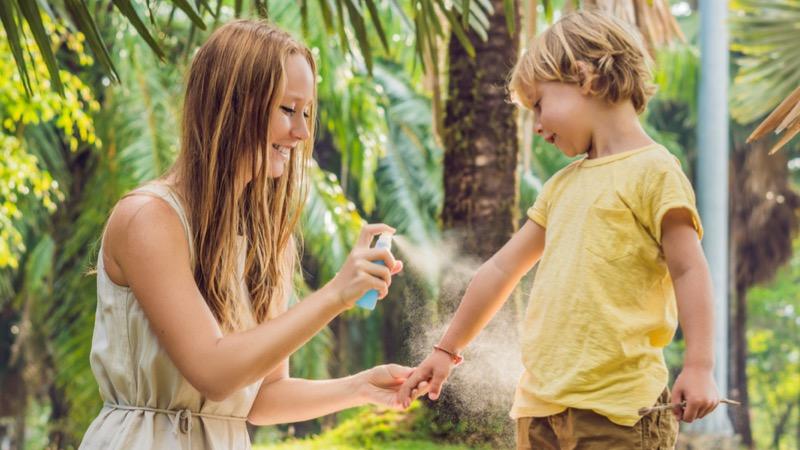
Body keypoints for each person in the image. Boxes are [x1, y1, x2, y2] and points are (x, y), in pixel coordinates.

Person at [79, 19, 422, 450]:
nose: (300, 132)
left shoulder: (262, 238)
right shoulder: (148, 218)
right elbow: (213, 371)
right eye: (286, 109)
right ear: (232, 103)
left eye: (306, 113)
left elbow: (259, 398)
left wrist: (358, 388)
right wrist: (336, 294)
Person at [398, 10, 719, 449]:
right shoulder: (560, 187)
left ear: (583, 77)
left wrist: (700, 365)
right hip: (539, 409)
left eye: (539, 106)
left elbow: (688, 269)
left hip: (618, 414)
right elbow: (499, 270)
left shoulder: (655, 172)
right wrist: (445, 350)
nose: (538, 126)